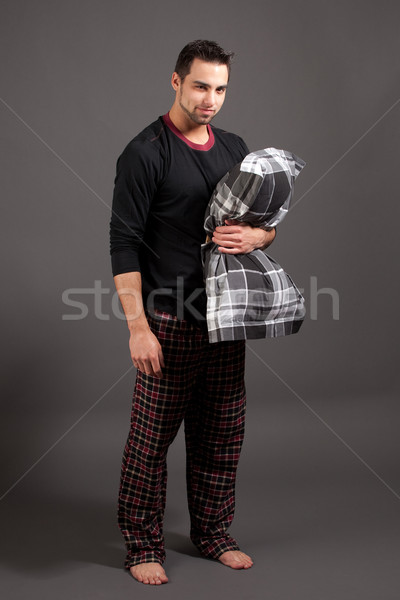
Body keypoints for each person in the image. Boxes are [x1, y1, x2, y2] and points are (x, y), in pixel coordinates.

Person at [109, 40, 276, 586]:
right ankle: (141, 544)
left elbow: (264, 224)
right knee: (151, 438)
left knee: (222, 433)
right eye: (201, 86)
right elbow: (124, 243)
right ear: (176, 81)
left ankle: (213, 532)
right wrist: (138, 328)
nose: (211, 99)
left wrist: (259, 234)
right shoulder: (146, 151)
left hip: (227, 317)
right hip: (168, 318)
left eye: (221, 89)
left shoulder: (234, 147)